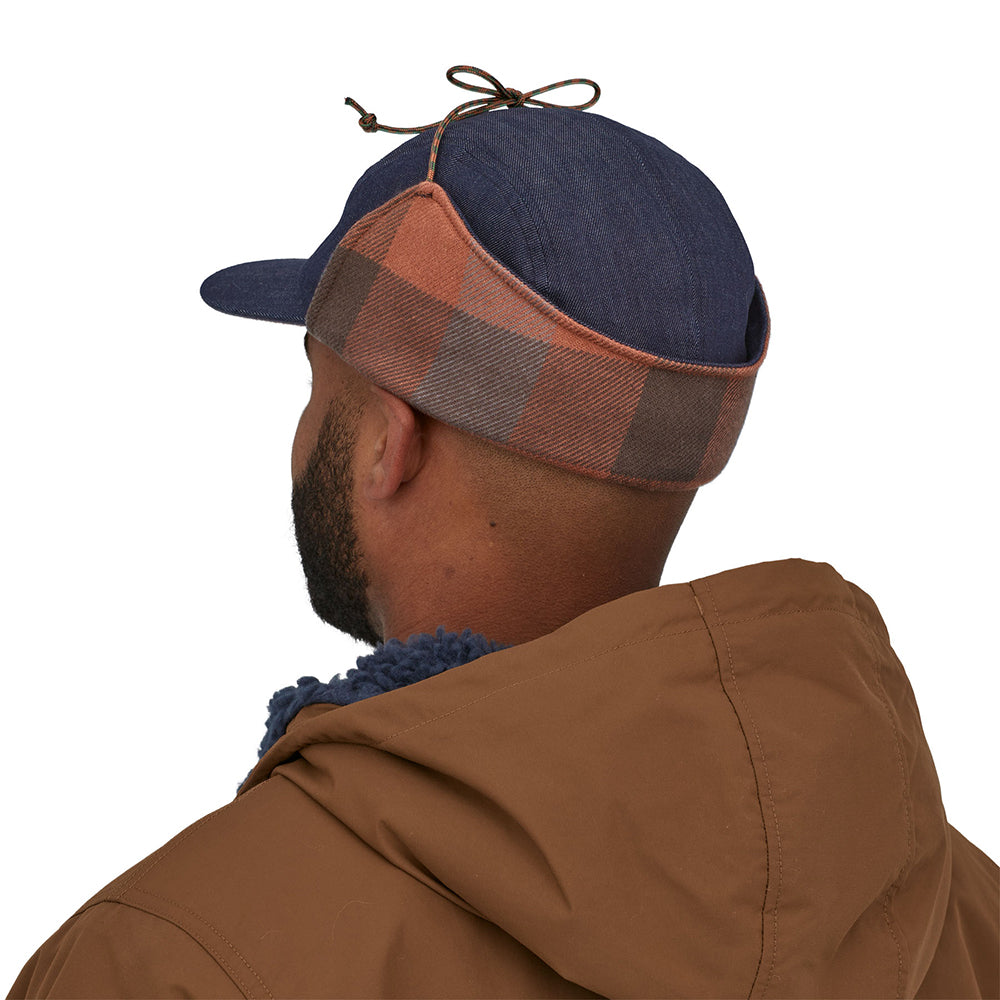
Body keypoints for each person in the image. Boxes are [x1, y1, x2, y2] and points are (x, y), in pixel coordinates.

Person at [9, 67, 998, 1000]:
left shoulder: (173, 960)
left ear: (388, 443)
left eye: (319, 390)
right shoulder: (956, 911)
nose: (305, 434)